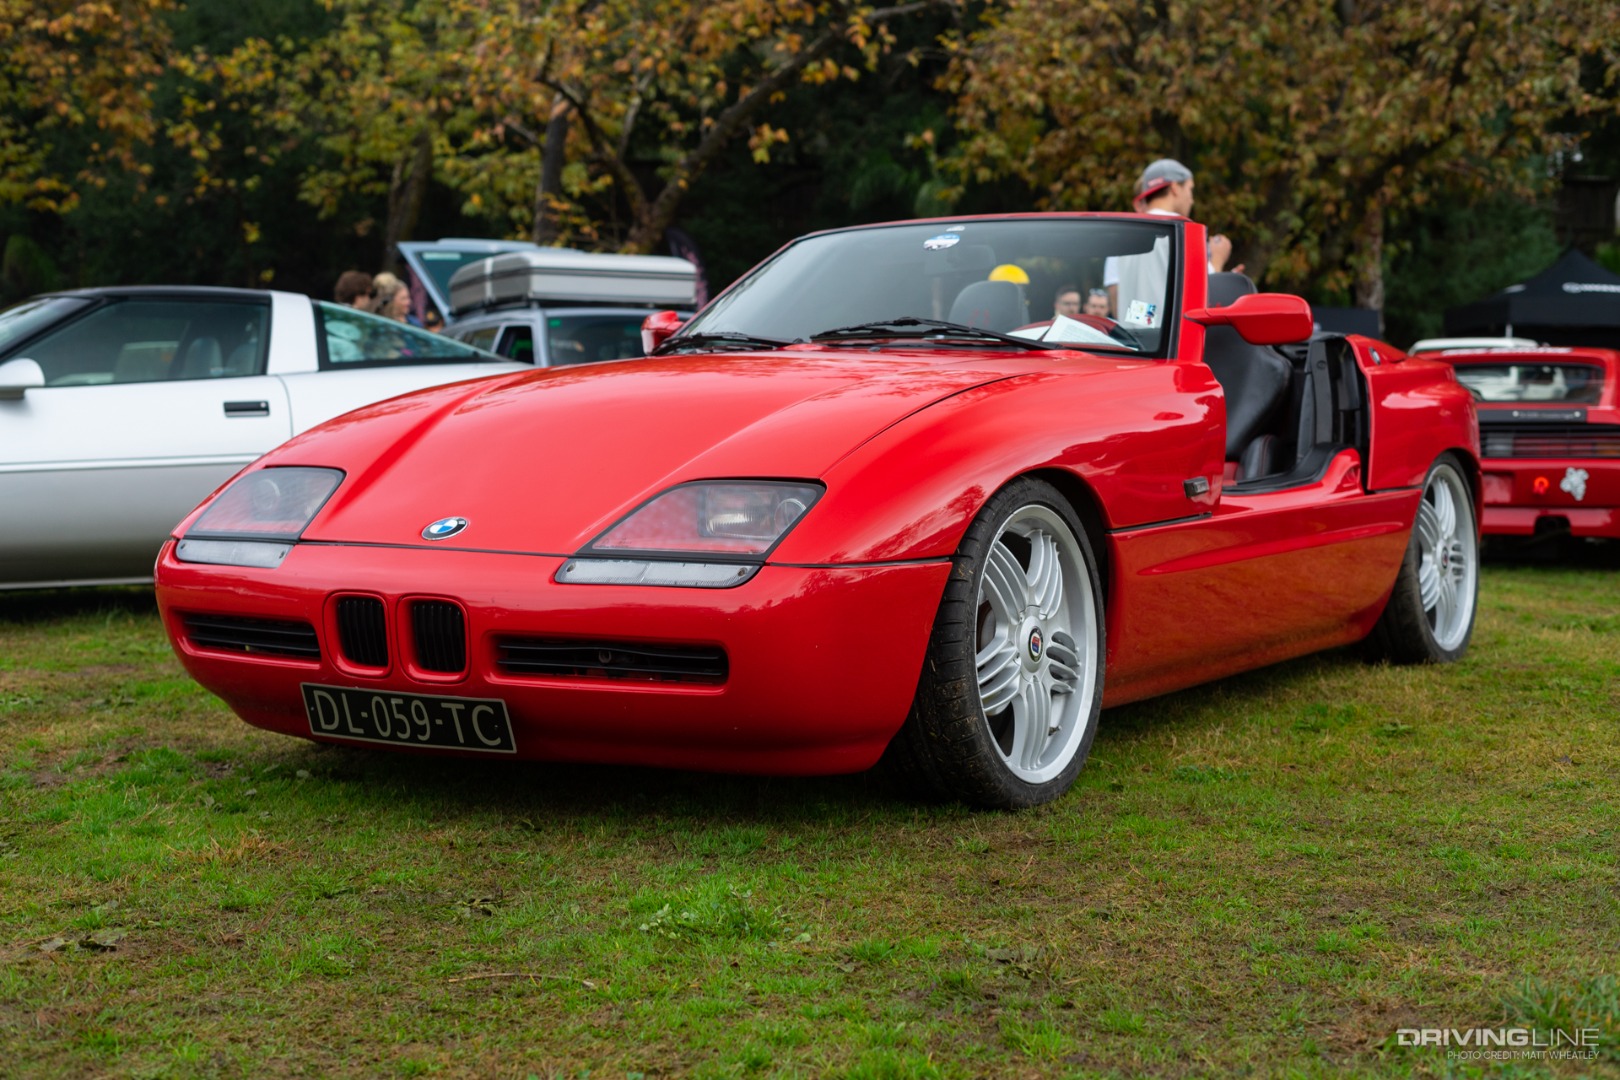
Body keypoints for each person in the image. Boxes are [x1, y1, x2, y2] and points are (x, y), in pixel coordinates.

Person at [1102, 159, 1239, 328]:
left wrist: (1143, 323)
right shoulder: (1181, 232)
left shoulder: (1124, 235)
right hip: (1170, 346)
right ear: (1175, 188)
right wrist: (1217, 261)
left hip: (1134, 344)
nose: (1192, 200)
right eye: (1190, 189)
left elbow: (1123, 299)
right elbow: (1203, 297)